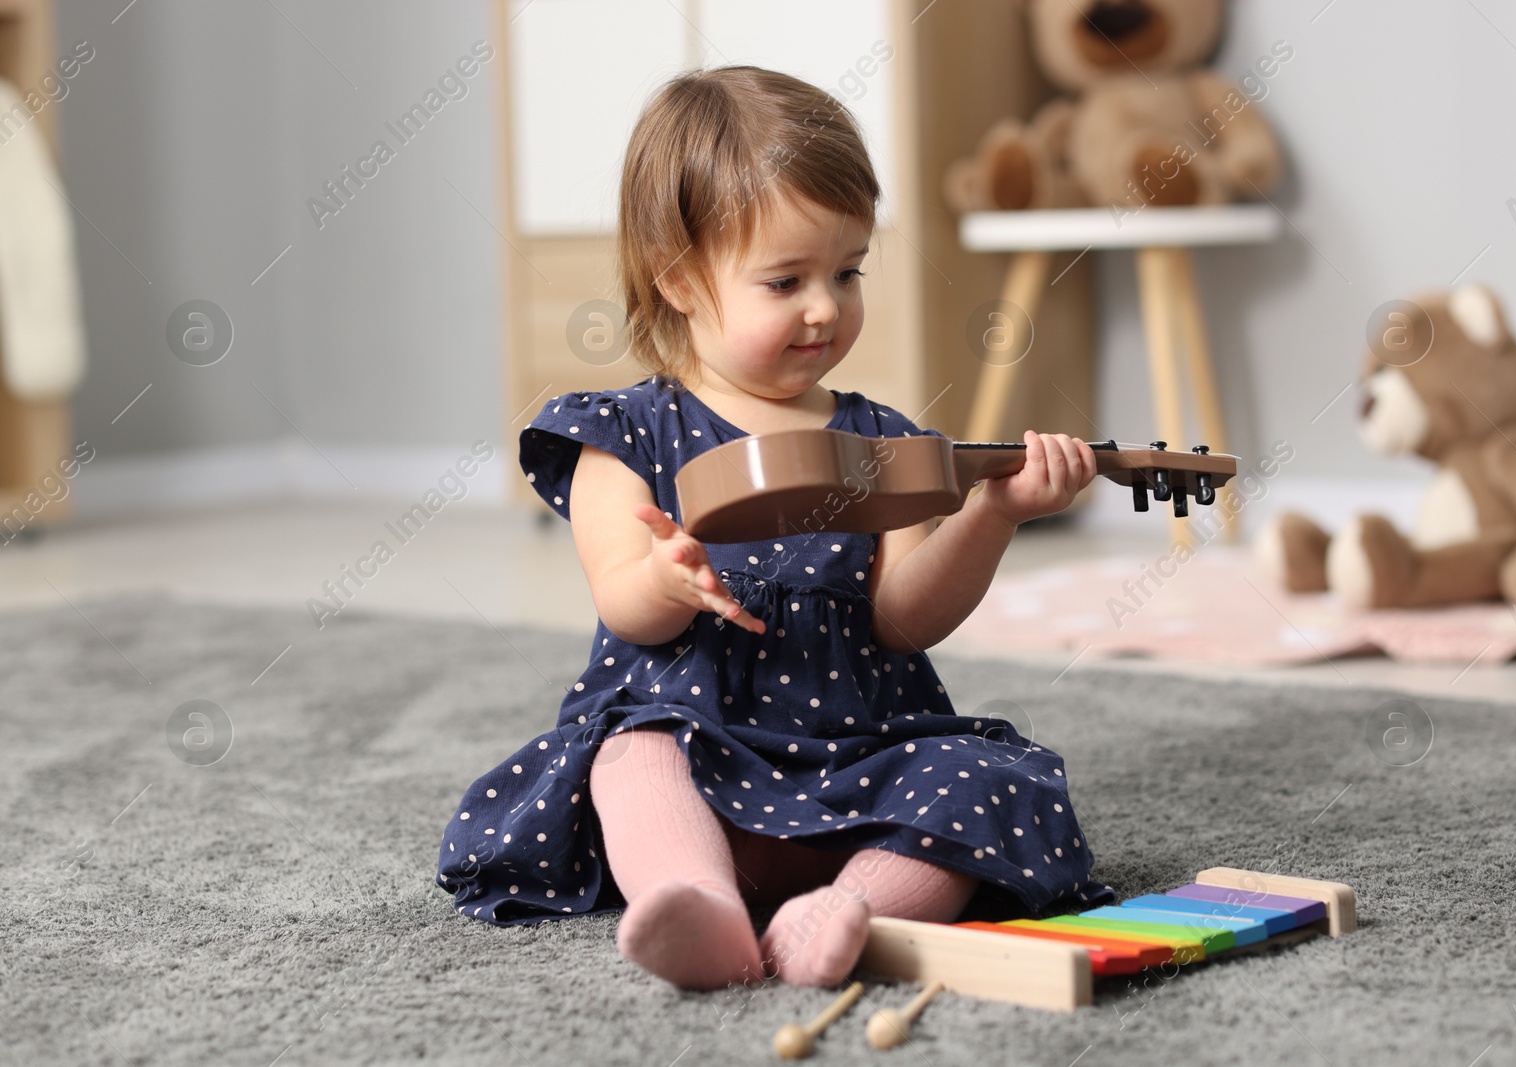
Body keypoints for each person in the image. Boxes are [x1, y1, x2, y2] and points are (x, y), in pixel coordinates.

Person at [436, 64, 1111, 992]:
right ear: (679, 279)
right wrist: (666, 577)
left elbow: (904, 619)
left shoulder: (882, 442)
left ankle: (843, 912)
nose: (826, 307)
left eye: (847, 271)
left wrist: (993, 513)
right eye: (785, 280)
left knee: (987, 778)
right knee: (631, 752)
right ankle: (695, 903)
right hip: (704, 775)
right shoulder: (623, 433)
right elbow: (626, 605)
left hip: (856, 766)